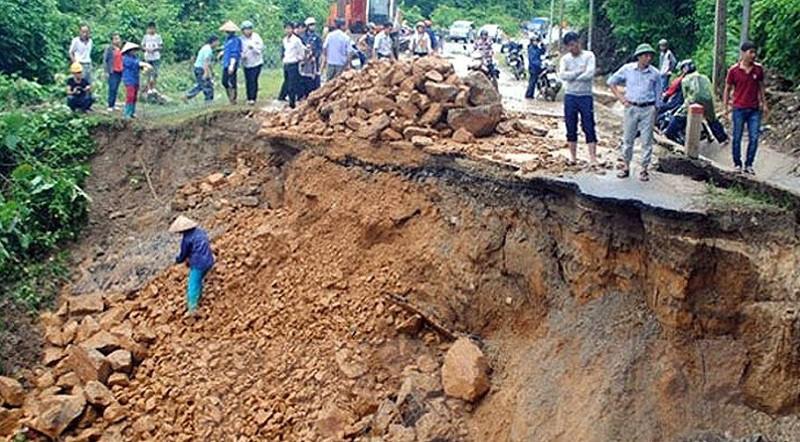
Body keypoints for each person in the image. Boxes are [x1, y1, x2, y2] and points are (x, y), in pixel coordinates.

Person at [607, 43, 662, 181]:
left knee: (647, 140)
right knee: (628, 138)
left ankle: (644, 169)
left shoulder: (655, 73)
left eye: (650, 55)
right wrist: (621, 99)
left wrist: (655, 109)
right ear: (639, 57)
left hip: (648, 108)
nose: (648, 58)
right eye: (645, 55)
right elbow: (611, 82)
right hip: (631, 107)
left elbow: (658, 94)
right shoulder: (628, 69)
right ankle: (626, 166)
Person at [723, 41, 768, 175]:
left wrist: (764, 103)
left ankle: (749, 164)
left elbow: (761, 87)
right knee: (737, 137)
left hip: (754, 109)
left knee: (754, 137)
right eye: (751, 52)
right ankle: (737, 163)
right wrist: (726, 107)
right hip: (739, 108)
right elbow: (727, 89)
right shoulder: (734, 71)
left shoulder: (758, 69)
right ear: (743, 53)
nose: (753, 55)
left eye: (755, 52)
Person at [557, 32, 598, 167]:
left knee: (589, 125)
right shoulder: (565, 59)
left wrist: (572, 76)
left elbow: (590, 74)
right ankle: (573, 157)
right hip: (570, 95)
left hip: (585, 96)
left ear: (578, 43)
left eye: (573, 45)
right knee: (570, 125)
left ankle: (592, 157)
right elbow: (562, 75)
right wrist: (578, 72)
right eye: (568, 46)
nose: (571, 49)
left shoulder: (589, 55)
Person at [664, 60, 728, 145]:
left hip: (692, 101)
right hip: (708, 101)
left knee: (679, 116)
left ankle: (669, 133)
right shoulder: (704, 77)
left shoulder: (685, 80)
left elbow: (685, 95)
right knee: (712, 119)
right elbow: (710, 91)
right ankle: (723, 138)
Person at [170, 216, 215, 316]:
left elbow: (183, 254)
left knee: (192, 284)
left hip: (199, 263)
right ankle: (199, 298)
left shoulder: (187, 238)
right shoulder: (200, 232)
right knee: (198, 280)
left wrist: (178, 260)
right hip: (209, 260)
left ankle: (192, 308)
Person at [121, 42, 152, 119]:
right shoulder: (125, 58)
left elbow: (139, 66)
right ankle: (127, 113)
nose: (134, 51)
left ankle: (132, 112)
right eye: (133, 50)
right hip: (129, 79)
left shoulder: (135, 57)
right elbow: (136, 64)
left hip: (135, 79)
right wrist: (145, 65)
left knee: (134, 96)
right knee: (130, 96)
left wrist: (145, 69)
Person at [185, 35, 219, 103]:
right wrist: (206, 73)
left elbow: (209, 63)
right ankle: (208, 101)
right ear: (213, 42)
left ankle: (187, 96)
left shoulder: (206, 48)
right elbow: (206, 62)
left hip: (199, 68)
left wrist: (212, 72)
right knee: (207, 86)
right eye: (217, 42)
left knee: (201, 85)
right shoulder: (208, 50)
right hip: (201, 69)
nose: (218, 43)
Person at [239, 21, 264, 105]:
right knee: (248, 80)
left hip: (256, 62)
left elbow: (260, 49)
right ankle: (249, 97)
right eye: (246, 29)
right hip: (246, 63)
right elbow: (240, 50)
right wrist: (242, 55)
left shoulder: (256, 37)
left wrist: (253, 48)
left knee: (253, 79)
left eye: (249, 29)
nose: (248, 31)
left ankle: (253, 98)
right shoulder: (241, 39)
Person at [282, 21, 305, 108]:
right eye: (286, 28)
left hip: (293, 64)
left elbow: (301, 52)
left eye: (289, 28)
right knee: (287, 83)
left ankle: (292, 103)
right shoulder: (284, 40)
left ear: (292, 29)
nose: (288, 30)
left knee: (292, 84)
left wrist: (298, 59)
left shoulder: (296, 40)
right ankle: (290, 101)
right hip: (286, 63)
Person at [219, 20, 242, 104]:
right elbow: (227, 49)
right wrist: (222, 53)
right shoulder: (227, 40)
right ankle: (230, 98)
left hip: (231, 63)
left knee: (232, 80)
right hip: (225, 63)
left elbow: (234, 53)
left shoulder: (236, 40)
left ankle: (233, 98)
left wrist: (232, 65)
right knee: (224, 81)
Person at [102, 33, 124, 111]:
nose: (117, 40)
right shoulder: (109, 48)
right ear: (112, 40)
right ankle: (110, 105)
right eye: (115, 39)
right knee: (112, 87)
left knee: (116, 88)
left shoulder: (121, 48)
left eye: (118, 38)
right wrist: (106, 71)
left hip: (120, 70)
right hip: (112, 71)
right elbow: (105, 60)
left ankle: (114, 104)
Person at [141, 22, 163, 94]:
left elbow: (161, 46)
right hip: (148, 57)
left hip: (156, 57)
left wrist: (155, 49)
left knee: (155, 73)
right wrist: (146, 49)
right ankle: (148, 88)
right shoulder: (145, 37)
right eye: (150, 28)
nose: (151, 30)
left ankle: (153, 87)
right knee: (148, 73)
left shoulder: (158, 37)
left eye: (153, 28)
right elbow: (142, 46)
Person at [304, 17, 323, 92]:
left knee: (315, 76)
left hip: (314, 60)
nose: (313, 26)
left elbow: (320, 48)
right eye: (311, 25)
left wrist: (315, 56)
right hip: (305, 61)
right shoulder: (303, 37)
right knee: (305, 76)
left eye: (314, 25)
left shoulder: (317, 37)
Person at [525, 34, 545, 99]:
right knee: (532, 82)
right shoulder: (531, 49)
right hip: (533, 68)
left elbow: (542, 52)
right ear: (532, 41)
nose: (536, 42)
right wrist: (540, 64)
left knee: (536, 80)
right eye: (534, 41)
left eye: (537, 41)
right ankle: (529, 95)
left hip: (538, 67)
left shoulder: (537, 48)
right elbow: (533, 60)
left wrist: (542, 45)